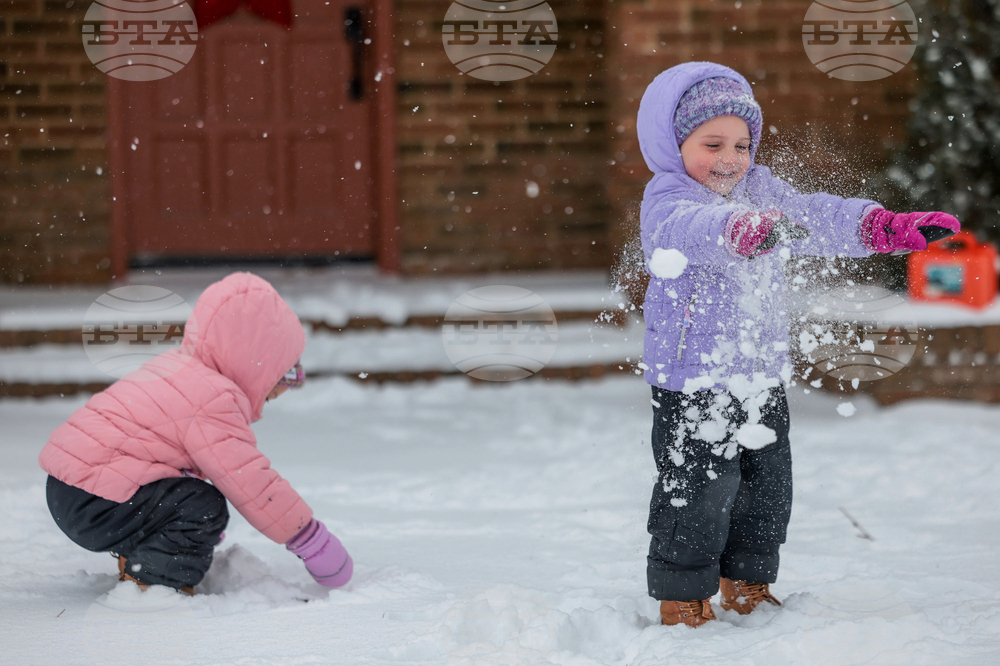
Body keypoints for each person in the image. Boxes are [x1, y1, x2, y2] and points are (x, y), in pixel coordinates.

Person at [635, 61, 959, 627]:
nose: (731, 159)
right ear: (675, 142)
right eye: (712, 143)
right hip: (693, 378)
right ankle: (682, 594)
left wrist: (877, 227)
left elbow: (813, 214)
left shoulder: (759, 187)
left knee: (766, 489)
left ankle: (749, 582)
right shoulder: (666, 197)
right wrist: (739, 230)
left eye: (742, 144)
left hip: (759, 372)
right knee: (700, 490)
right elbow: (690, 230)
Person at [40, 272, 352, 595]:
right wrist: (309, 538)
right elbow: (251, 482)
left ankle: (140, 555)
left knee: (185, 501)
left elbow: (151, 453)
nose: (268, 400)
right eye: (274, 386)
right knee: (203, 507)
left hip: (69, 490)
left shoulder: (179, 369)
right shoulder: (212, 399)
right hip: (94, 497)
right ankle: (151, 582)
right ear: (254, 362)